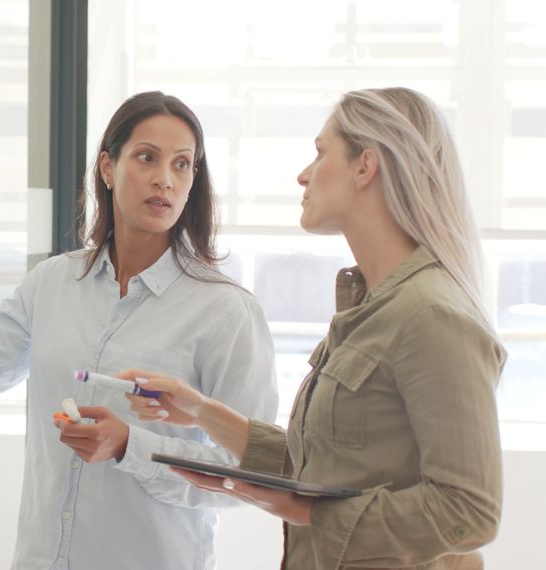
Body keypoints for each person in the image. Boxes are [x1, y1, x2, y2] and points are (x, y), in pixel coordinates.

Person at [125, 87, 505, 569]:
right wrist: (201, 412)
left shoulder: (431, 316)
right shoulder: (370, 305)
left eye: (321, 153)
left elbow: (470, 510)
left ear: (365, 167)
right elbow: (326, 465)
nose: (304, 174)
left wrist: (311, 512)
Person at [0, 91, 278, 569]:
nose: (165, 178)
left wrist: (130, 446)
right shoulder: (53, 284)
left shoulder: (226, 312)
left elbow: (251, 475)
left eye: (182, 165)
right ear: (107, 168)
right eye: (146, 157)